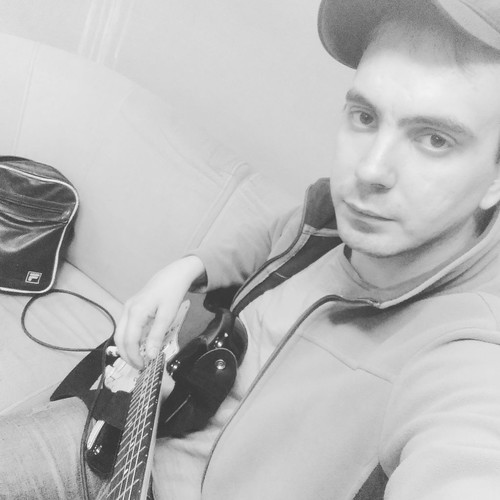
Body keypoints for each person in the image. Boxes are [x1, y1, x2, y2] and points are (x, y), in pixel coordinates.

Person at [3, 0, 500, 498]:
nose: (370, 169)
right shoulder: (329, 219)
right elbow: (270, 237)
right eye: (365, 116)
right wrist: (185, 271)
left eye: (435, 139)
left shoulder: (470, 353)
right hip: (135, 439)